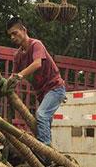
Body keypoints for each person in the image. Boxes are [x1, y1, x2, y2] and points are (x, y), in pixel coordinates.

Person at [4, 17, 66, 146]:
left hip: (55, 88)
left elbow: (37, 64)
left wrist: (20, 75)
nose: (13, 37)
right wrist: (5, 85)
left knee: (41, 115)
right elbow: (13, 76)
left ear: (24, 30)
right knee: (44, 124)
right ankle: (50, 154)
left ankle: (46, 154)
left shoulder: (36, 44)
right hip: (42, 94)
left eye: (15, 33)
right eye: (10, 35)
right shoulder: (18, 56)